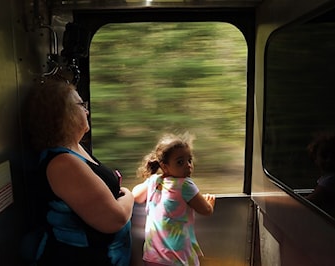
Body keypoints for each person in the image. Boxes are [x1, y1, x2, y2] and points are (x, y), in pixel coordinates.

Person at [27, 75, 134, 266]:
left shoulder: (74, 147)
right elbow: (114, 219)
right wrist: (129, 196)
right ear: (62, 114)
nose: (87, 111)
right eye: (80, 105)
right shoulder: (62, 164)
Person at [132, 132, 216, 266]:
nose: (188, 165)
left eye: (189, 160)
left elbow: (136, 196)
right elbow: (205, 210)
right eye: (180, 162)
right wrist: (210, 203)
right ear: (165, 166)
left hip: (152, 256)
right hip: (176, 258)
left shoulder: (154, 181)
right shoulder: (185, 185)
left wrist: (149, 180)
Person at [305, 133, 335, 220]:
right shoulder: (331, 178)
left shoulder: (333, 180)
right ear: (315, 158)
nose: (329, 160)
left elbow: (309, 202)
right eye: (324, 156)